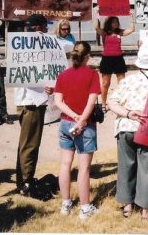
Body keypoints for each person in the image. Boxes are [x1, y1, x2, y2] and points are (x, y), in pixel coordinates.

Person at [107, 47, 148, 220]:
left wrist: (128, 113)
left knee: (126, 167)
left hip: (126, 127)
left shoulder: (126, 81)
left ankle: (127, 206)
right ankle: (146, 210)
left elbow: (111, 102)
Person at [54, 41, 101, 220]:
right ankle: (85, 207)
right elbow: (90, 103)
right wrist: (81, 119)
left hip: (66, 123)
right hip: (85, 125)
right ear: (87, 56)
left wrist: (73, 117)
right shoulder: (92, 75)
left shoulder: (63, 75)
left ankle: (66, 203)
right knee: (84, 168)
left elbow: (58, 102)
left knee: (65, 164)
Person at [15, 14, 54, 197]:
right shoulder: (26, 45)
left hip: (35, 99)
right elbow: (24, 73)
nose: (47, 30)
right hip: (30, 100)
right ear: (38, 27)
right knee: (30, 144)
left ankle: (25, 178)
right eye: (45, 27)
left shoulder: (29, 44)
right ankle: (25, 182)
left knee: (29, 143)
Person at [92, 7, 136, 109]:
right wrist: (96, 13)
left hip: (118, 59)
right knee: (106, 83)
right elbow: (96, 27)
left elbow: (132, 29)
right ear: (109, 23)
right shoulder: (104, 32)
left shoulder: (119, 32)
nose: (116, 24)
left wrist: (132, 17)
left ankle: (121, 103)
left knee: (122, 83)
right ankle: (103, 104)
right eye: (114, 22)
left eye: (117, 22)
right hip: (107, 59)